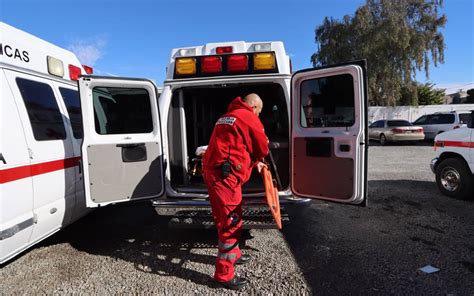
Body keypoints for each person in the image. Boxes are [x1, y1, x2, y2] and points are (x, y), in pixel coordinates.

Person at [202, 93, 269, 290]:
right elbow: (262, 147)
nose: (258, 116)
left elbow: (235, 145)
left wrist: (253, 162)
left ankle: (236, 254)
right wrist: (258, 159)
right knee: (230, 223)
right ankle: (223, 274)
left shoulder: (227, 116)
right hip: (225, 177)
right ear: (254, 107)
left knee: (232, 215)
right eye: (259, 112)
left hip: (215, 173)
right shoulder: (248, 116)